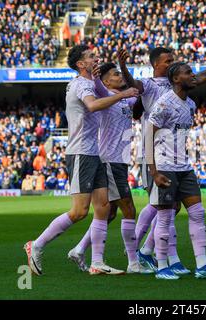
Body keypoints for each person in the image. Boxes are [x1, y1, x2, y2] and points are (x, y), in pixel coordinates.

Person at [118, 46, 206, 275]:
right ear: (158, 65)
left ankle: (192, 263)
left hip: (181, 162)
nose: (172, 62)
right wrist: (123, 66)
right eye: (168, 60)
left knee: (180, 210)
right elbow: (133, 84)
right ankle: (149, 255)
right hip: (156, 158)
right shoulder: (153, 88)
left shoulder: (188, 101)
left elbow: (199, 78)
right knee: (162, 208)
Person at [23, 45, 138, 276]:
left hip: (93, 153)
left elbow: (100, 93)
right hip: (80, 153)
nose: (95, 57)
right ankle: (36, 245)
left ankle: (97, 262)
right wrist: (123, 94)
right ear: (80, 64)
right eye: (90, 56)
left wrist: (112, 84)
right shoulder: (81, 84)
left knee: (103, 208)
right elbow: (93, 105)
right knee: (79, 211)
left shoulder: (88, 82)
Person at [146, 61, 206, 280]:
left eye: (193, 72)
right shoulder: (164, 103)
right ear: (175, 79)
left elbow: (201, 78)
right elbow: (147, 137)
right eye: (188, 73)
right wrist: (154, 172)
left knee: (197, 213)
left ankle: (202, 266)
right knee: (165, 217)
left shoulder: (190, 104)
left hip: (184, 166)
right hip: (164, 166)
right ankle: (162, 266)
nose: (193, 76)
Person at [68, 62, 152, 274]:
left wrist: (126, 71)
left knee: (109, 214)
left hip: (120, 161)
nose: (119, 76)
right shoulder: (105, 94)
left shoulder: (127, 98)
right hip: (109, 161)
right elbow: (97, 85)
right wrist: (96, 77)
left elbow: (139, 93)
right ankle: (133, 263)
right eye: (115, 74)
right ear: (106, 81)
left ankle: (79, 249)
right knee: (130, 210)